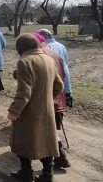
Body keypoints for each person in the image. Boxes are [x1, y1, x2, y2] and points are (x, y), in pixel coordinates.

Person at [8, 33, 64, 182]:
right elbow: (59, 85)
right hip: (47, 110)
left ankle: (26, 173)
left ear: (21, 47)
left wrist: (14, 110)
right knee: (46, 141)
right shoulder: (49, 59)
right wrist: (45, 98)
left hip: (28, 111)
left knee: (21, 141)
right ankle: (47, 175)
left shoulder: (25, 61)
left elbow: (24, 91)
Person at [34, 33, 71, 169]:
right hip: (57, 95)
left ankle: (58, 156)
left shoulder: (39, 55)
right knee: (49, 127)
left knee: (44, 129)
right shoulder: (54, 52)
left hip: (43, 97)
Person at [37, 29, 73, 108]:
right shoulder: (61, 45)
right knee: (62, 102)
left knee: (54, 104)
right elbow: (66, 61)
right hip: (64, 75)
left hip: (55, 77)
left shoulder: (46, 48)